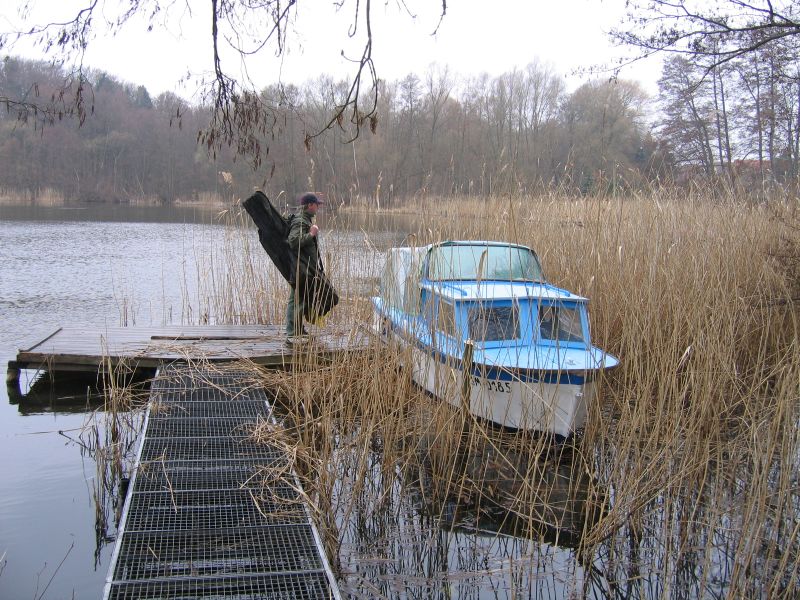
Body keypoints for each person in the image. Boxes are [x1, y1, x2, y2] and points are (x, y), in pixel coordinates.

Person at [285, 192, 323, 341]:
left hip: (305, 268)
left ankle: (298, 329)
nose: (318, 207)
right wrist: (311, 234)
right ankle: (292, 332)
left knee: (301, 299)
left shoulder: (305, 219)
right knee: (297, 299)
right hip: (301, 268)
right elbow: (293, 241)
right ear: (310, 205)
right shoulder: (300, 220)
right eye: (317, 204)